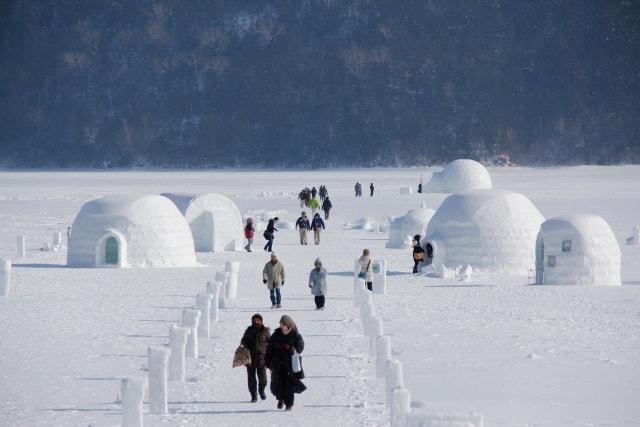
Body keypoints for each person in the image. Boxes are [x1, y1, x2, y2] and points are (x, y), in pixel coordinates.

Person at [266, 315, 305, 411]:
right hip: (277, 363)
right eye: (280, 324)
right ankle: (280, 399)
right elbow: (269, 349)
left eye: (283, 324)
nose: (281, 326)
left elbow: (300, 345)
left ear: (288, 325)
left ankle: (289, 404)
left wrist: (293, 349)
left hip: (290, 364)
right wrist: (268, 363)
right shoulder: (276, 335)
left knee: (288, 385)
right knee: (277, 384)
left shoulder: (295, 335)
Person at [241, 314, 271, 402]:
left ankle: (261, 390)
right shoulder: (249, 330)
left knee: (263, 379)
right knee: (251, 379)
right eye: (255, 320)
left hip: (262, 358)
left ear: (261, 321)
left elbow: (270, 343)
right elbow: (243, 340)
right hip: (250, 358)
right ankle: (253, 395)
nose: (257, 322)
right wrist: (245, 343)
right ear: (252, 321)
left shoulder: (265, 331)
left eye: (258, 320)